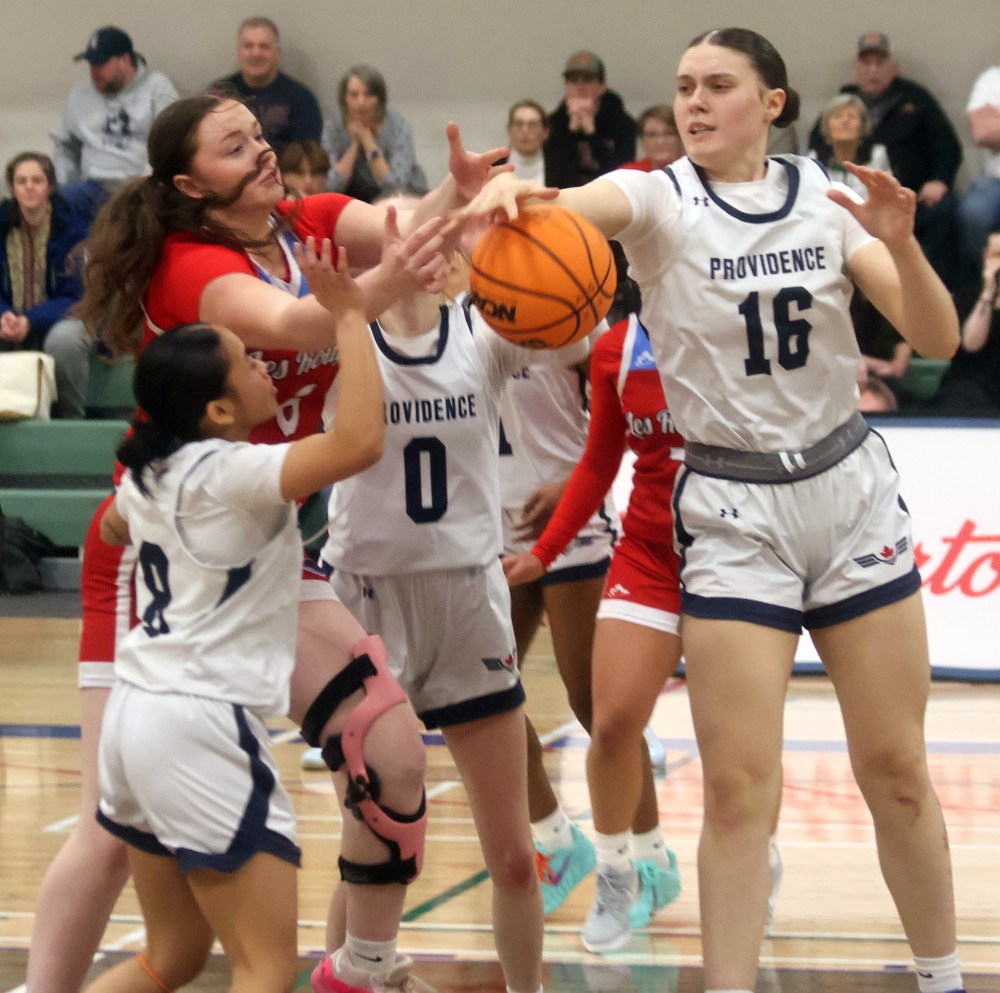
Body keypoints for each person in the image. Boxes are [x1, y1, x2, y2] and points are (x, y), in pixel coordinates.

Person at [459, 25, 965, 993]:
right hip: (732, 507)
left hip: (848, 494)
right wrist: (516, 194)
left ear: (771, 102)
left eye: (717, 85)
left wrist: (902, 246)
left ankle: (942, 976)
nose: (693, 101)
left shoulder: (825, 195)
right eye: (684, 85)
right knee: (736, 788)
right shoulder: (660, 197)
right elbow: (580, 203)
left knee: (898, 769)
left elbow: (934, 335)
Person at [25, 92, 504, 993]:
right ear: (188, 184)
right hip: (161, 550)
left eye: (258, 133)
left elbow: (398, 228)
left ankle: (362, 970)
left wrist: (459, 195)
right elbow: (299, 324)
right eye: (232, 146)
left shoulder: (305, 221)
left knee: (389, 744)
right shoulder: (188, 269)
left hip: (264, 542)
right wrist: (375, 291)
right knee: (110, 834)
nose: (261, 150)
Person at [83, 244, 382, 993]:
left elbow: (114, 525)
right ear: (217, 411)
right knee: (264, 968)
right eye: (249, 361)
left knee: (170, 957)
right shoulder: (232, 472)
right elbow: (359, 442)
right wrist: (349, 316)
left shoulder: (149, 472)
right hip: (199, 724)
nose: (263, 365)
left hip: (135, 719)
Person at [315, 237, 592, 993]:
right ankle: (350, 981)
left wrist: (524, 246)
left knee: (514, 856)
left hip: (469, 597)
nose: (428, 254)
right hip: (366, 598)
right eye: (408, 240)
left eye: (440, 241)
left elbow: (581, 336)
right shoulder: (341, 336)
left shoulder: (484, 335)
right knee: (370, 844)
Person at [502, 306, 686, 951]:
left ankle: (650, 859)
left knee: (598, 710)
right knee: (478, 705)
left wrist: (573, 481)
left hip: (576, 529)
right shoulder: (442, 325)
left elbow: (608, 431)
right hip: (486, 528)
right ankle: (557, 841)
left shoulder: (567, 314)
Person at [808, 31, 963, 289]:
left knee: (944, 212)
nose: (873, 70)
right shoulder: (842, 102)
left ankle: (935, 290)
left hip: (912, 195)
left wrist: (939, 180)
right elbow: (816, 145)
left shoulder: (916, 99)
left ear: (894, 67)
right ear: (856, 68)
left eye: (880, 63)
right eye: (866, 63)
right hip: (850, 197)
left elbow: (947, 146)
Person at [808, 94, 911, 392]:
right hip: (826, 245)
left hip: (870, 241)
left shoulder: (877, 158)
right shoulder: (810, 164)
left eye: (852, 116)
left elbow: (886, 207)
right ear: (826, 129)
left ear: (864, 127)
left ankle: (891, 354)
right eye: (838, 116)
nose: (845, 120)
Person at [52, 26, 179, 221]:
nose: (94, 71)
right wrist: (61, 185)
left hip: (138, 187)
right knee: (49, 204)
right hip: (91, 188)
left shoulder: (157, 87)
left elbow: (171, 143)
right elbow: (65, 147)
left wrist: (149, 182)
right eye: (91, 64)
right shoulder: (80, 93)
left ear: (125, 60)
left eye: (101, 63)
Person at [0, 152, 91, 417]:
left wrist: (30, 320)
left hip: (64, 317)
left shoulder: (75, 231)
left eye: (37, 181)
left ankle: (70, 421)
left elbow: (77, 295)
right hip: (11, 317)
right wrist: (4, 316)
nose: (29, 187)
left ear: (49, 187)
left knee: (65, 341)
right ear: (12, 188)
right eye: (22, 181)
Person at [211, 17, 323, 155]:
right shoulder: (217, 95)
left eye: (264, 46)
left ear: (277, 53)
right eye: (248, 46)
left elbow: (307, 159)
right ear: (239, 51)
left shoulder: (302, 99)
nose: (256, 53)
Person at [322, 65, 428, 204]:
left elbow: (395, 186)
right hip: (355, 199)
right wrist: (355, 145)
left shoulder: (397, 126)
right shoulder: (333, 128)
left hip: (405, 197)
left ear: (379, 100)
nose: (361, 102)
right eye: (354, 95)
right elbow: (330, 186)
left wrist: (368, 141)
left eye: (368, 95)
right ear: (344, 99)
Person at [544, 51, 636, 189]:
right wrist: (572, 132)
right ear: (566, 86)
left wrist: (592, 134)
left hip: (608, 195)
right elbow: (554, 175)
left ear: (602, 86)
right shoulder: (554, 123)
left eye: (588, 80)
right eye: (573, 81)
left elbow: (622, 174)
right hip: (567, 195)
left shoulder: (623, 123)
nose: (580, 87)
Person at [933, 226, 1000, 416]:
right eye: (997, 256)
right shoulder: (967, 297)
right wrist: (988, 293)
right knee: (961, 395)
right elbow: (971, 344)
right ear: (985, 256)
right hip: (969, 387)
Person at [957, 65, 1000, 275]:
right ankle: (988, 280)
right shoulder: (993, 79)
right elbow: (983, 132)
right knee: (974, 213)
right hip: (996, 181)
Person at [622, 105, 684, 172]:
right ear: (642, 140)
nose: (660, 141)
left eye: (668, 133)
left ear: (681, 138)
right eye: (652, 135)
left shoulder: (692, 172)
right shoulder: (627, 173)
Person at [504, 100, 551, 184]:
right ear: (509, 129)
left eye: (533, 124)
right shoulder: (493, 167)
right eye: (519, 124)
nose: (525, 130)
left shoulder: (562, 168)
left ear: (545, 132)